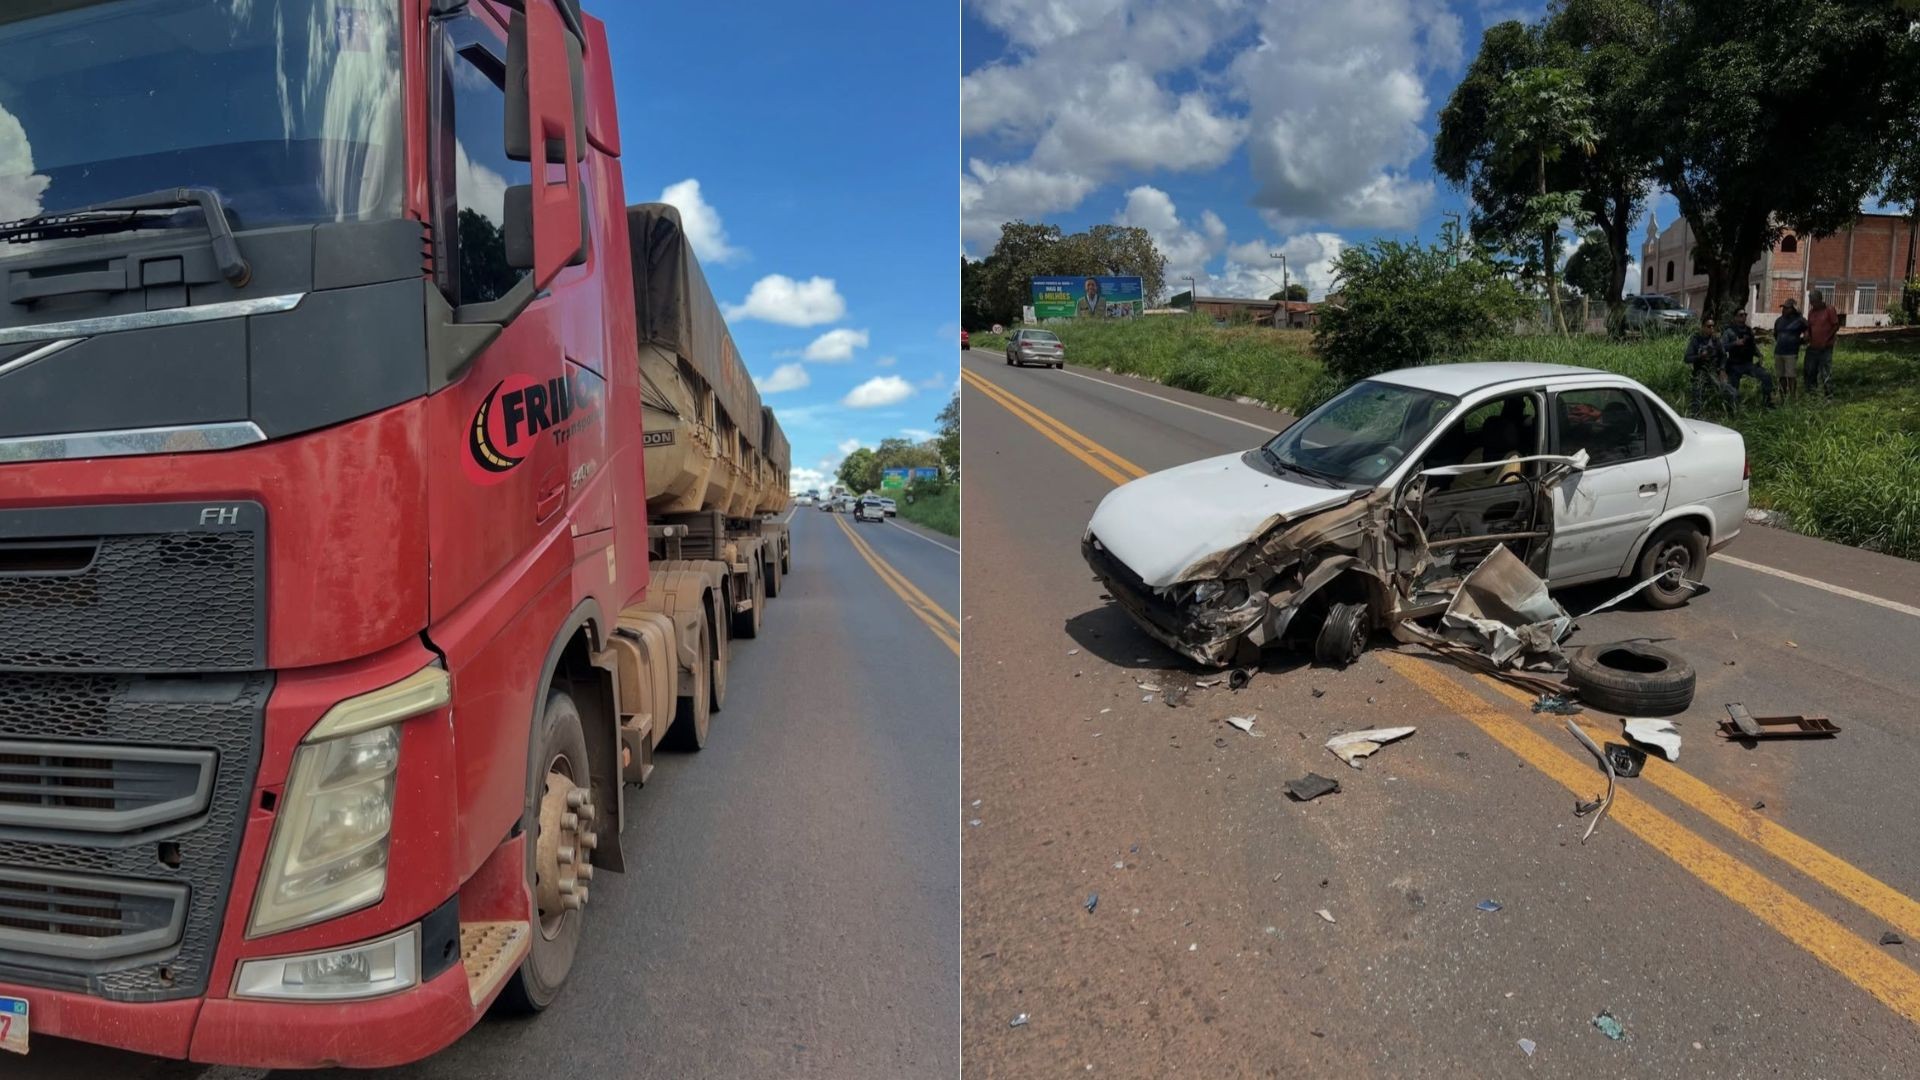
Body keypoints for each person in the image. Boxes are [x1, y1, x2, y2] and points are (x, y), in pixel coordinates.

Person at [1720, 309, 1775, 408]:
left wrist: (1759, 355)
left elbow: (1753, 346)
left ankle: (1768, 403)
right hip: (1734, 364)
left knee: (1766, 376)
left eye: (1745, 314)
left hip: (1747, 364)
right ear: (1735, 317)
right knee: (1733, 389)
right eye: (1741, 315)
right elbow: (1722, 347)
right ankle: (1732, 408)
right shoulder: (1729, 331)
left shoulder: (1749, 330)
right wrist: (1734, 343)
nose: (1743, 316)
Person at [1685, 317, 1737, 416]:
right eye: (1709, 326)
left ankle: (1731, 415)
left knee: (1732, 392)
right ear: (1703, 327)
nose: (1711, 328)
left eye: (1713, 326)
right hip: (1700, 373)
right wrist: (1700, 356)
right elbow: (1687, 358)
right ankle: (1696, 417)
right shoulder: (1696, 340)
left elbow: (1723, 356)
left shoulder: (1716, 341)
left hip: (1714, 373)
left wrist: (1722, 369)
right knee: (1697, 396)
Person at [1804, 289, 1840, 398]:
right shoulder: (1811, 312)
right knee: (1810, 371)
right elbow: (1809, 327)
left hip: (1825, 348)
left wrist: (1827, 339)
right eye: (1811, 302)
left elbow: (1836, 326)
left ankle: (1829, 395)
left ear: (1820, 300)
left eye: (1814, 302)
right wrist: (1807, 335)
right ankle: (1812, 395)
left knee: (1825, 372)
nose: (1812, 304)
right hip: (1813, 347)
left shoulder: (1829, 310)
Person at [1773, 298, 1809, 397]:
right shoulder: (1779, 320)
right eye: (1783, 308)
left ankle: (1793, 398)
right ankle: (1782, 397)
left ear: (1793, 309)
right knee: (1781, 376)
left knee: (1791, 376)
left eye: (1787, 308)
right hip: (1779, 352)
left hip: (1791, 353)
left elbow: (1807, 332)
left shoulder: (1800, 320)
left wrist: (1800, 341)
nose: (1783, 310)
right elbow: (1776, 334)